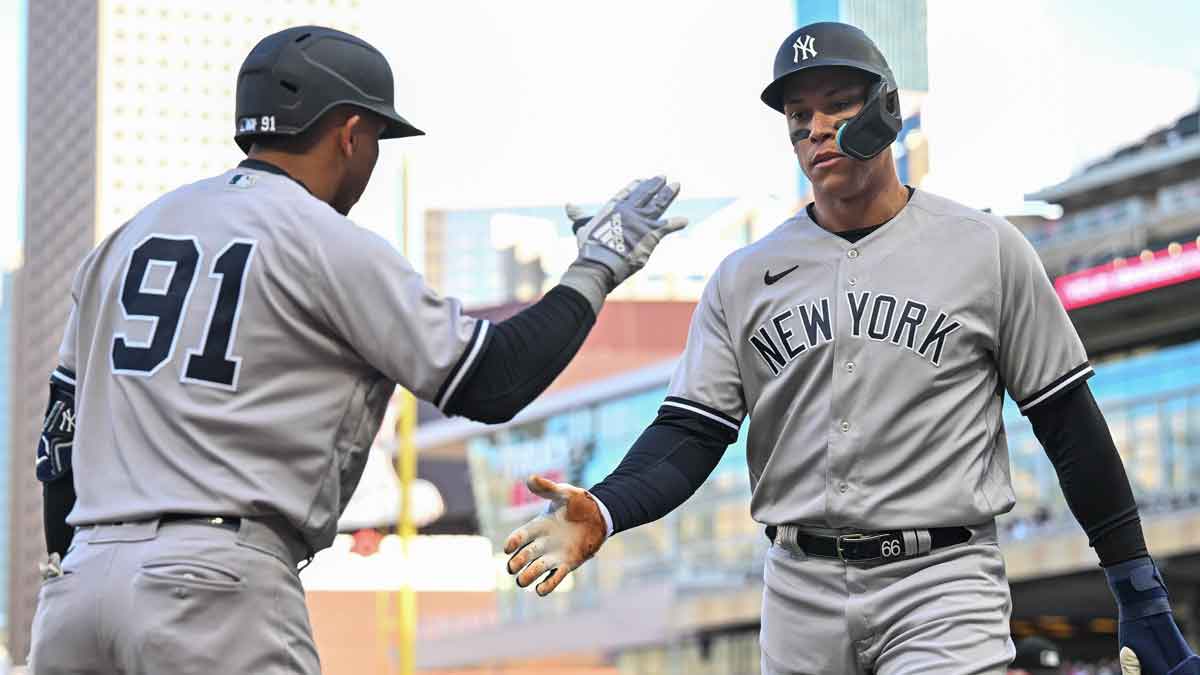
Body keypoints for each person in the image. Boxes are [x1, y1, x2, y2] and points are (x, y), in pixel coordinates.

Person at [503, 21, 1200, 675]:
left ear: (886, 109)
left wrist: (1137, 586)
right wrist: (607, 505)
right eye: (797, 116)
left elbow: (1067, 422)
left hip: (941, 579)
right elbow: (689, 431)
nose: (815, 128)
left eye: (837, 104)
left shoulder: (985, 249)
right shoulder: (744, 277)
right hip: (800, 584)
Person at [29, 25, 687, 674]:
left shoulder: (121, 243)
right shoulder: (324, 240)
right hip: (211, 587)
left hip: (79, 587)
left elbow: (58, 446)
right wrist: (595, 269)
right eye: (374, 135)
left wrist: (77, 562)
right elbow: (492, 379)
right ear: (349, 133)